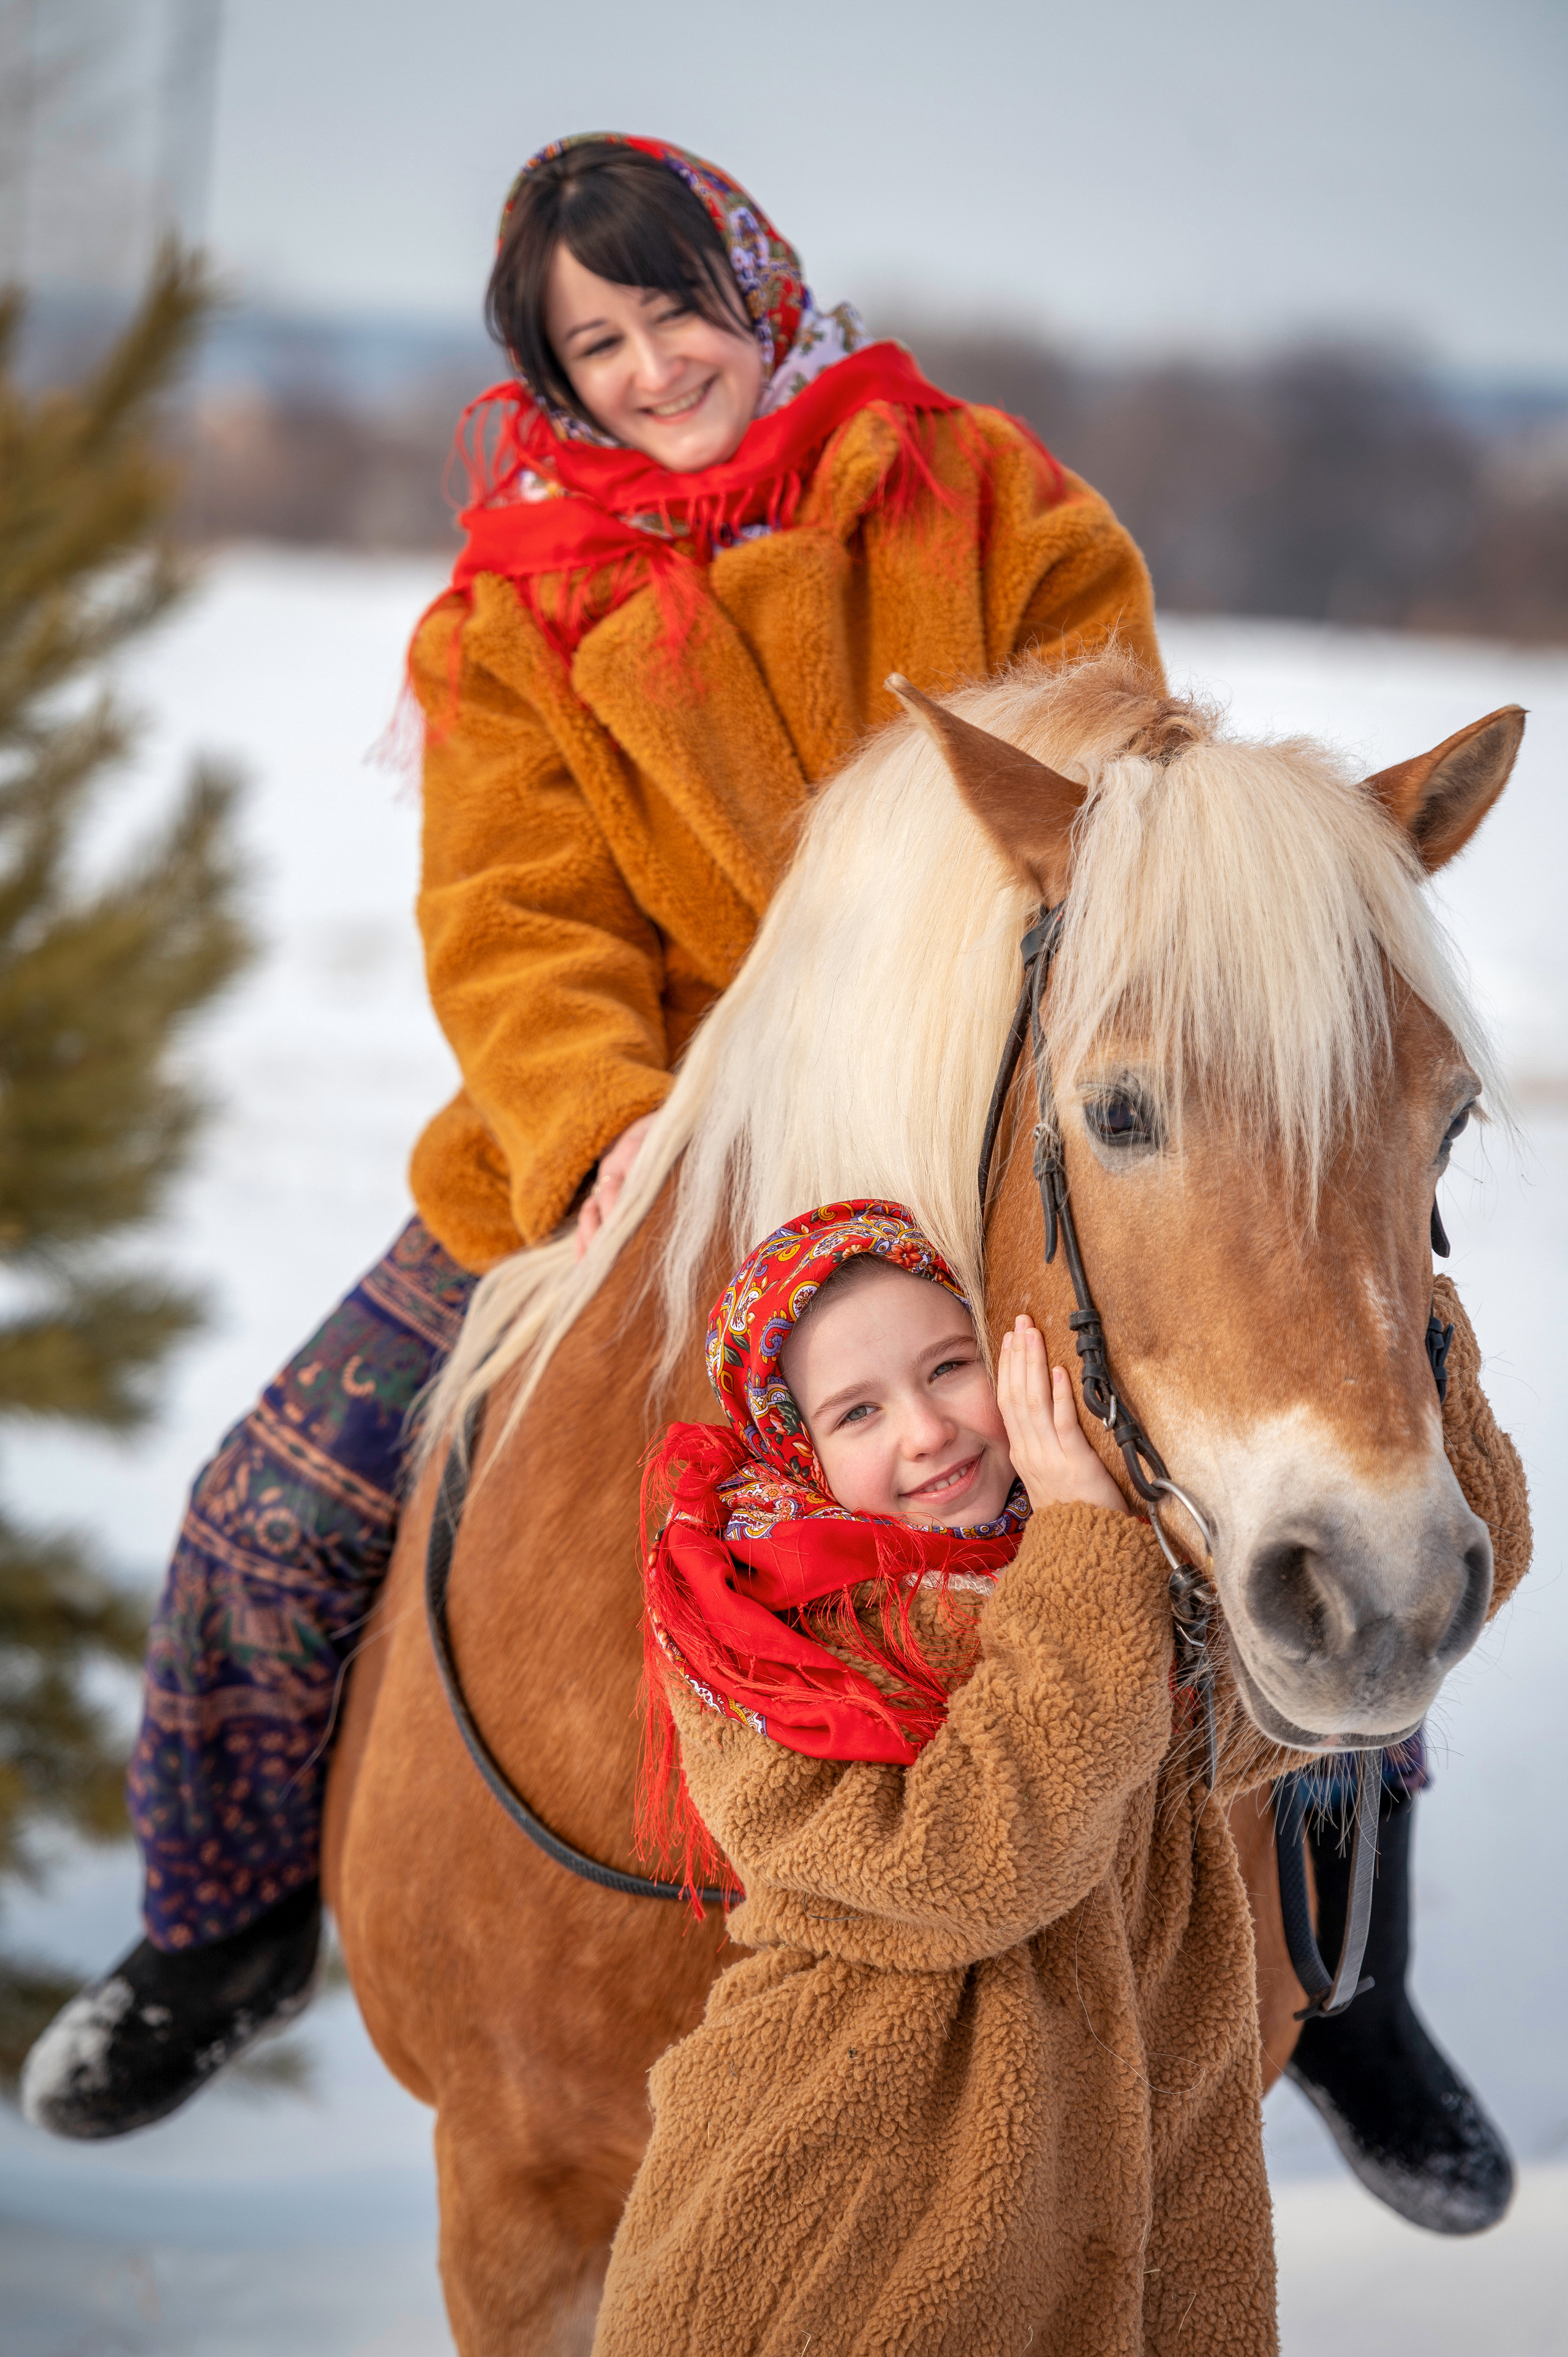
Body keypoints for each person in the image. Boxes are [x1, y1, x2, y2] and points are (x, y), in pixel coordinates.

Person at [21, 135, 1159, 2141]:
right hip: (630, 1133)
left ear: (762, 278)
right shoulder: (516, 600)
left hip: (961, 1105)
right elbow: (509, 901)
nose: (653, 369)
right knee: (269, 1512)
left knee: (1236, 1469)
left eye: (678, 312)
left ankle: (1350, 1951)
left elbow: (1108, 769)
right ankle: (222, 1932)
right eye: (598, 342)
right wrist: (602, 1122)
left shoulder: (979, 490)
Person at [599, 1199, 1526, 2353]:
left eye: (950, 1367)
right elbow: (974, 1865)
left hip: (1133, 2230)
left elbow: (1356, 1659)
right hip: (855, 2227)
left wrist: (1404, 1319)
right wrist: (1086, 1545)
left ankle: (1367, 2000)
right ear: (795, 1447)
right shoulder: (777, 1644)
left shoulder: (1110, 1589)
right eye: (858, 1411)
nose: (928, 1431)